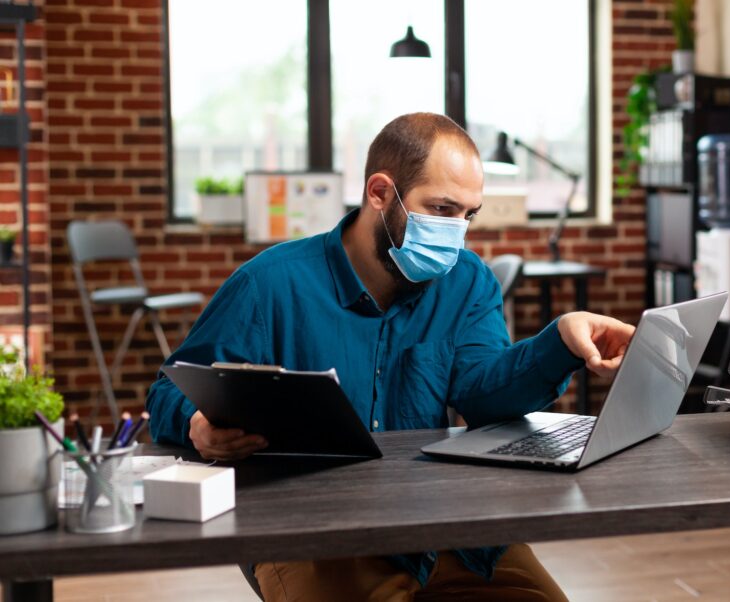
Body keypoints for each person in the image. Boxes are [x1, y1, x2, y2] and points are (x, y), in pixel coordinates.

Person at [146, 112, 635, 601]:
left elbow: (483, 393)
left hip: (448, 526)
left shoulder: (467, 282)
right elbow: (170, 390)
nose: (457, 233)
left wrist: (561, 342)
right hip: (315, 535)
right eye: (442, 209)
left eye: (469, 215)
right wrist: (197, 423)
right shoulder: (271, 284)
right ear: (379, 193)